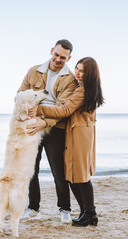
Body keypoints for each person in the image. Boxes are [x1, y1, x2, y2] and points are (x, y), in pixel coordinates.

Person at [28, 57, 105, 226]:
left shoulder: (82, 91)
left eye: (82, 71)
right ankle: (87, 212)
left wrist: (38, 109)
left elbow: (65, 109)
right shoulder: (85, 88)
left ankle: (90, 213)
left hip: (79, 135)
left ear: (90, 73)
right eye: (77, 69)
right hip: (80, 133)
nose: (77, 73)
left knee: (80, 176)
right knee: (75, 175)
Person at [17, 39, 79, 223]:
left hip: (55, 128)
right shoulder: (33, 71)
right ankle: (33, 207)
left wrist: (43, 121)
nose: (58, 59)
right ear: (52, 51)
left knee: (58, 171)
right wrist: (31, 117)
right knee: (31, 169)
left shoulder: (70, 79)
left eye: (63, 57)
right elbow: (20, 95)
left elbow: (62, 109)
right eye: (56, 55)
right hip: (31, 126)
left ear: (69, 58)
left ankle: (65, 209)